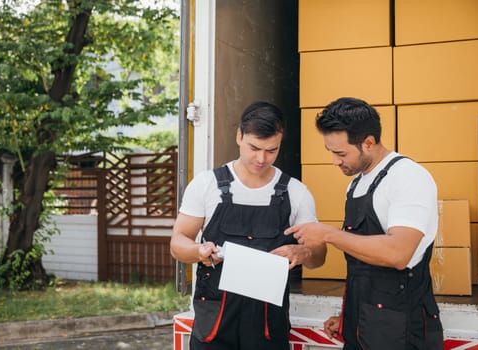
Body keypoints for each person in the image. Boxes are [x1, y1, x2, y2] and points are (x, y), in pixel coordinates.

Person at [285, 97, 444, 349]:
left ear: (368, 143)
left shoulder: (408, 177)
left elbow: (398, 254)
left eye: (340, 153)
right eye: (331, 152)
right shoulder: (356, 185)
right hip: (364, 326)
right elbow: (364, 266)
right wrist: (350, 316)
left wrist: (328, 234)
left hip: (402, 332)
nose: (335, 161)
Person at [170, 101, 327, 350]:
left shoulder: (296, 192)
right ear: (239, 136)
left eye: (271, 150)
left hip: (267, 326)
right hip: (214, 322)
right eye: (254, 148)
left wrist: (303, 251)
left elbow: (319, 257)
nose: (261, 158)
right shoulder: (206, 184)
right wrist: (198, 251)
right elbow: (178, 243)